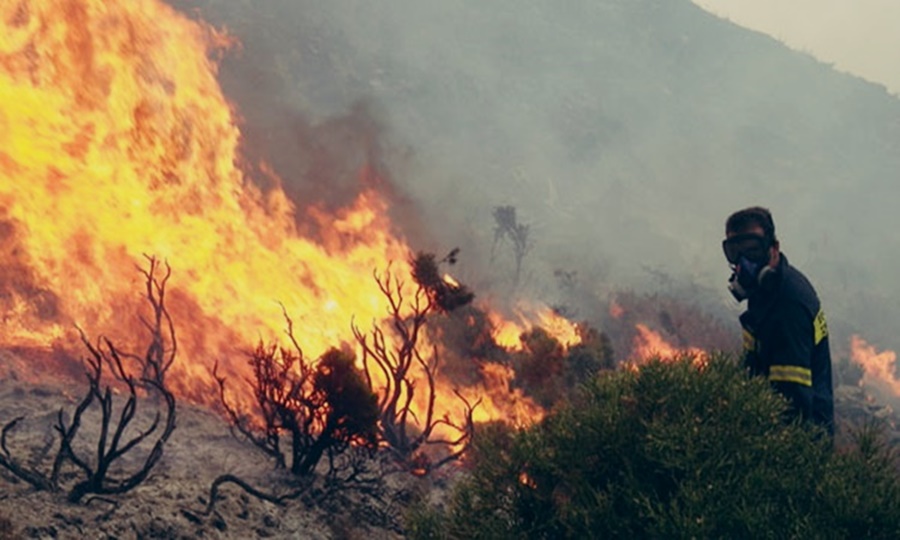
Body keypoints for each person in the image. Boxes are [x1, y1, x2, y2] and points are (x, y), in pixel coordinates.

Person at [722, 207, 834, 437]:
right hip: (769, 425)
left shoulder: (789, 305)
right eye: (735, 252)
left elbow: (792, 403)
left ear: (773, 249)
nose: (744, 263)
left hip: (800, 444)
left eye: (752, 250)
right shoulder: (766, 292)